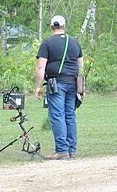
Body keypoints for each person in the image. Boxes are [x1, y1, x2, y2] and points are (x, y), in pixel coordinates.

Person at [34, 15, 84, 160]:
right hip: (73, 83)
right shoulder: (74, 42)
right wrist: (82, 88)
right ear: (64, 26)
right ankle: (71, 150)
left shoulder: (47, 43)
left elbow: (41, 67)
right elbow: (80, 65)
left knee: (57, 116)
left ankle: (62, 150)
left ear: (51, 27)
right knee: (70, 115)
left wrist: (38, 87)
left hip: (56, 83)